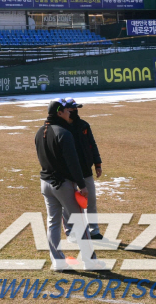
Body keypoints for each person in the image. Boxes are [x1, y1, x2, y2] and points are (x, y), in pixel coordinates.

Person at [35, 98, 102, 271]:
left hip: (45, 183)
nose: (69, 112)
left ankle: (57, 261)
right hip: (63, 184)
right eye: (66, 110)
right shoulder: (64, 133)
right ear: (59, 113)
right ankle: (90, 262)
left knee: (53, 223)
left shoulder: (40, 132)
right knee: (80, 222)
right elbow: (73, 163)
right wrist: (82, 185)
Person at [61, 101, 104, 240]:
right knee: (68, 203)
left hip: (85, 168)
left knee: (91, 200)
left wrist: (97, 163)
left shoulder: (84, 125)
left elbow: (92, 144)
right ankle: (70, 231)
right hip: (67, 171)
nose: (75, 110)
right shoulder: (60, 127)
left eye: (76, 108)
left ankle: (94, 230)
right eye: (72, 108)